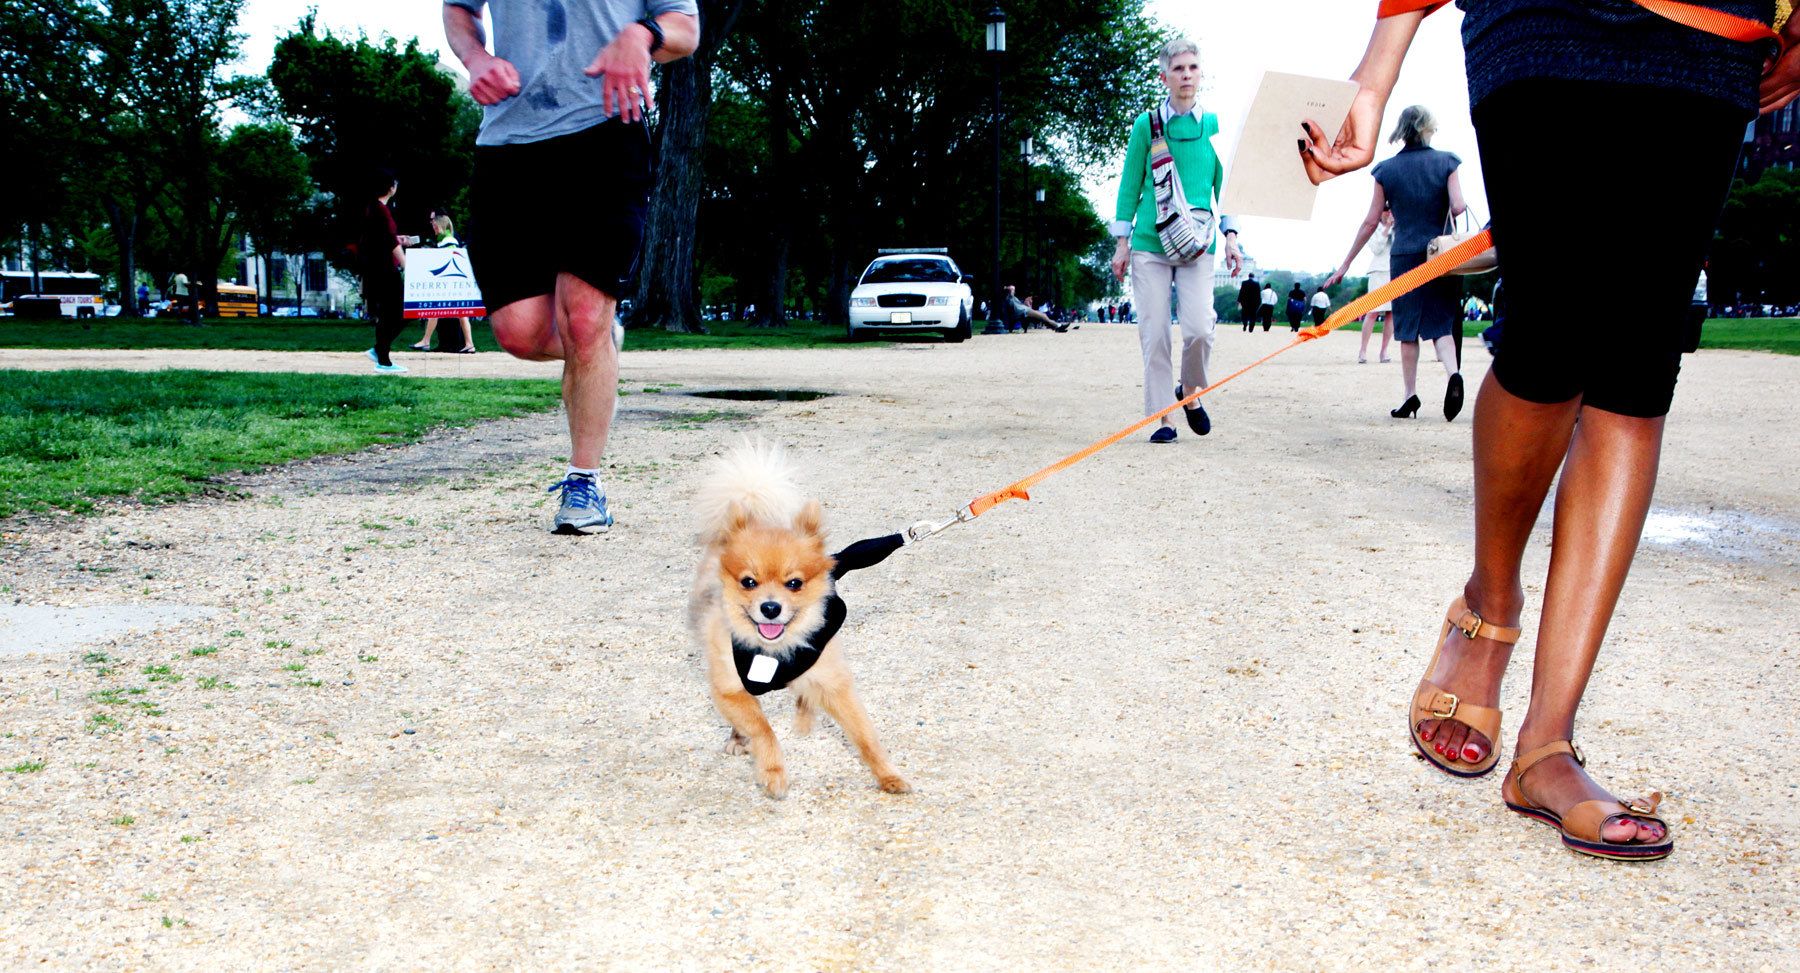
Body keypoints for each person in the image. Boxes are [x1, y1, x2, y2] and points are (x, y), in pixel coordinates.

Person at [1304, 0, 1799, 861]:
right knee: (1551, 329)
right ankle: (1491, 602)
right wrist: (1378, 69)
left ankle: (1547, 745)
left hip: (1712, 25)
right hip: (1541, 13)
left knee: (1640, 366)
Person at [443, 0, 699, 534]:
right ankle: (604, 340)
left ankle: (585, 484)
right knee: (518, 333)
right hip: (509, 142)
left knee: (582, 321)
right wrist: (476, 58)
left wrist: (641, 35)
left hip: (606, 129)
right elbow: (459, 9)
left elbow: (686, 28)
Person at [1111, 38, 1247, 444]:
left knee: (1200, 329)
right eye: (1178, 69)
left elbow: (1229, 187)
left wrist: (1232, 238)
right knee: (1154, 334)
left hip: (1198, 244)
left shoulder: (1215, 127)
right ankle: (1162, 420)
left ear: (1200, 74)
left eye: (1193, 68)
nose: (1186, 75)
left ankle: (1190, 393)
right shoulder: (1147, 126)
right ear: (1164, 76)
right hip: (1151, 243)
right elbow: (1129, 184)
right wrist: (1122, 243)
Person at [1326, 105, 1466, 420]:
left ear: (1401, 131)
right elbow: (1458, 207)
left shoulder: (1386, 170)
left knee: (1406, 327)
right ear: (1428, 128)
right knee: (1440, 322)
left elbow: (1371, 221)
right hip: (1441, 254)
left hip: (1404, 254)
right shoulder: (1447, 162)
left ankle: (1410, 395)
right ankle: (1453, 373)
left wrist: (1346, 263)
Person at [360, 170, 414, 375]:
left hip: (377, 268)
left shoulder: (374, 208)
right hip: (383, 268)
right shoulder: (381, 210)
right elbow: (389, 242)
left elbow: (383, 238)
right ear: (391, 188)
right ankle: (382, 357)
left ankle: (380, 351)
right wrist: (406, 264)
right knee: (401, 310)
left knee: (390, 311)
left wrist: (398, 239)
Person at [410, 211, 479, 354]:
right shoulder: (447, 239)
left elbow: (449, 259)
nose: (433, 228)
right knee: (461, 312)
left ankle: (426, 341)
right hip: (453, 281)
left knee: (437, 310)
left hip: (449, 281)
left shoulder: (448, 240)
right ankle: (469, 344)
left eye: (435, 225)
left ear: (441, 225)